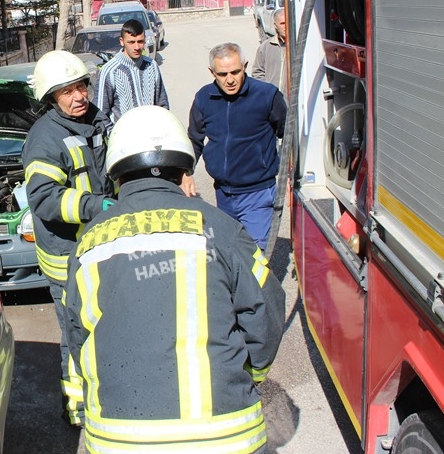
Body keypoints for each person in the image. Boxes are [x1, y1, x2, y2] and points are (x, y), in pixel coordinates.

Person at [65, 105, 286, 453]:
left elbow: (78, 337)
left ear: (116, 175)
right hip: (226, 438)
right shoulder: (221, 228)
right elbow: (267, 312)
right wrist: (246, 376)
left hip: (120, 440)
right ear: (183, 170)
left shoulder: (89, 243)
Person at [22, 49, 114, 427]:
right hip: (67, 259)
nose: (78, 97)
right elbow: (43, 199)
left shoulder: (97, 121)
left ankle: (108, 390)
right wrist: (99, 207)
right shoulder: (44, 138)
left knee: (106, 324)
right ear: (50, 98)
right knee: (76, 333)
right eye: (66, 92)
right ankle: (76, 407)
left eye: (81, 87)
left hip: (100, 247)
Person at [184, 43, 286, 249]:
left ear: (245, 66)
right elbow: (194, 139)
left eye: (235, 72)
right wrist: (186, 171)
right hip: (224, 194)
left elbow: (290, 136)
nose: (230, 80)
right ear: (211, 72)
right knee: (231, 251)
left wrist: (288, 176)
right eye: (222, 74)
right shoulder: (204, 98)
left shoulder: (267, 96)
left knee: (255, 255)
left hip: (258, 193)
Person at [95, 19, 169, 128]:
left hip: (152, 136)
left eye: (140, 41)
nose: (137, 47)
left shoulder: (151, 66)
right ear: (122, 41)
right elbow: (100, 113)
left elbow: (162, 104)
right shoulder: (109, 71)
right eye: (131, 42)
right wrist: (113, 135)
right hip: (124, 139)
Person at [252, 8, 288, 94]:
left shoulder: (297, 46)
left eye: (287, 22)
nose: (286, 26)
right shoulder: (266, 47)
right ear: (275, 26)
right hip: (272, 99)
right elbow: (257, 73)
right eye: (282, 23)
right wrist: (267, 90)